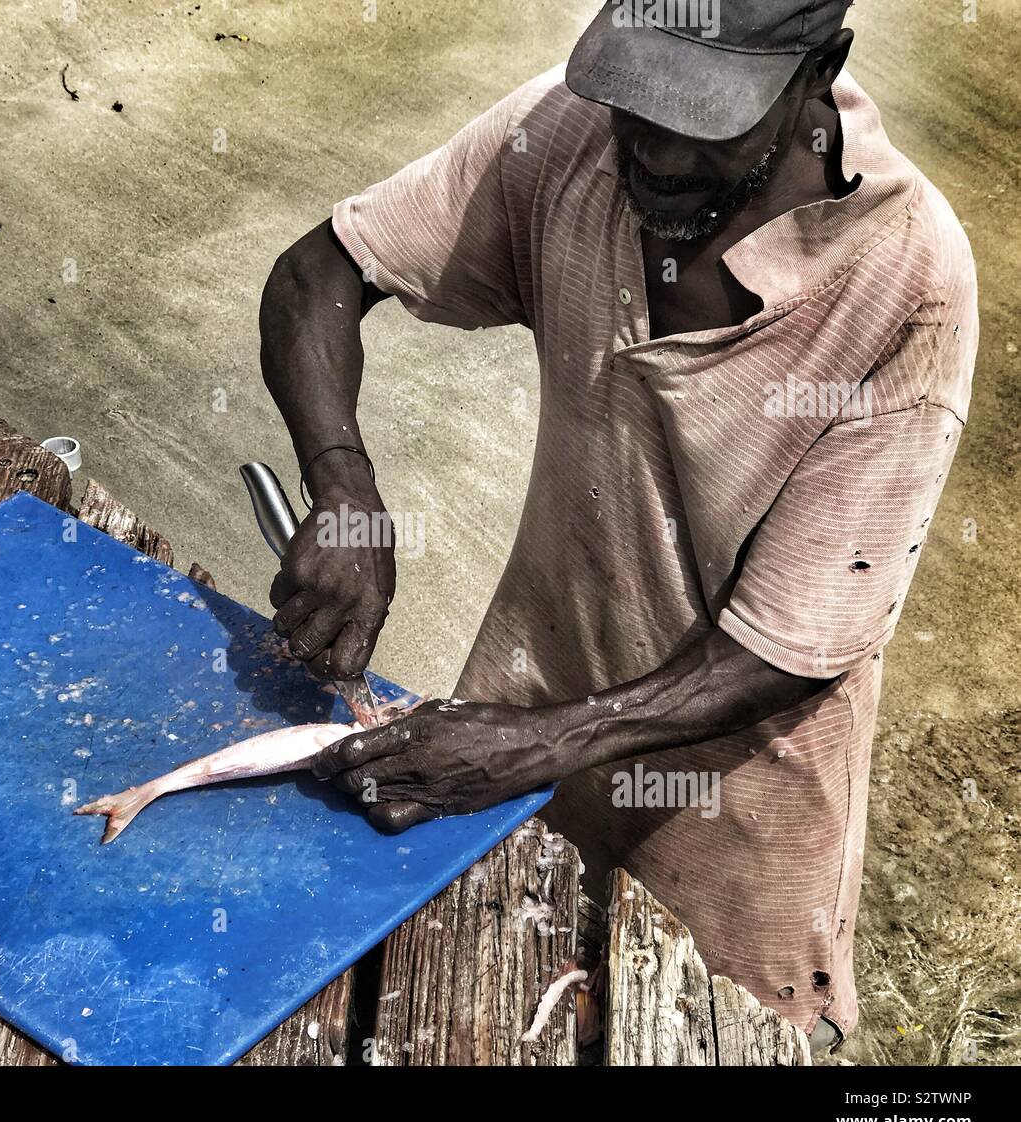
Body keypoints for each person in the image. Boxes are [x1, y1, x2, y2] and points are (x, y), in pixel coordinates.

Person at [256, 0, 977, 1054]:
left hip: (732, 825)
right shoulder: (568, 138)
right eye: (636, 96)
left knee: (686, 1033)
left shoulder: (907, 282)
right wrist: (344, 485)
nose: (654, 149)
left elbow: (787, 648)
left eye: (704, 117)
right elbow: (317, 274)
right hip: (510, 746)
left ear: (819, 72)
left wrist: (546, 741)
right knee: (486, 1003)